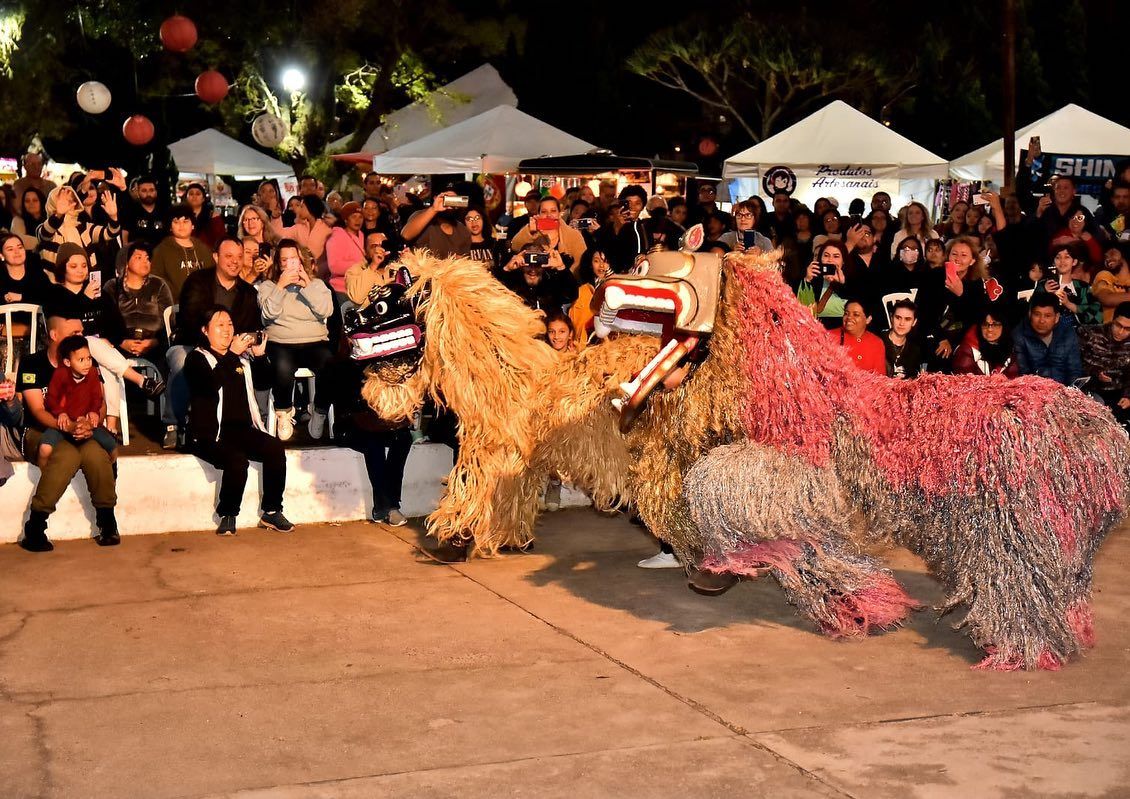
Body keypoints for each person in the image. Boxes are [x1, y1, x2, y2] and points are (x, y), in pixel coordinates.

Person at [184, 306, 292, 535]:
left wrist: (261, 357)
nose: (227, 330)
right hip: (210, 434)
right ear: (205, 330)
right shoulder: (196, 359)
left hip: (242, 430)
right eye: (220, 325)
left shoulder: (242, 359)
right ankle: (228, 513)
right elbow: (209, 386)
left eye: (230, 324)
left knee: (274, 448)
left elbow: (265, 383)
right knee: (237, 460)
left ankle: (272, 512)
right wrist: (232, 354)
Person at [16, 316, 120, 552]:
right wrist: (70, 426)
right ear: (54, 335)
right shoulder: (33, 363)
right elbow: (38, 410)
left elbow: (100, 402)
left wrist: (92, 419)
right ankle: (35, 527)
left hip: (83, 429)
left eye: (81, 332)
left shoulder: (87, 364)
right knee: (67, 456)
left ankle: (107, 521)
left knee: (96, 453)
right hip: (41, 431)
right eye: (74, 332)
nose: (80, 337)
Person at [168, 237, 264, 448]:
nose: (235, 262)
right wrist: (218, 344)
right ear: (215, 257)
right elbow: (190, 320)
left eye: (239, 257)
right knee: (183, 361)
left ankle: (255, 420)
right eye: (228, 256)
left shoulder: (248, 293)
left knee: (260, 361)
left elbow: (253, 326)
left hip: (233, 348)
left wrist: (242, 343)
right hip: (193, 342)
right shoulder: (197, 281)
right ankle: (173, 424)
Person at [258, 240, 334, 441]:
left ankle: (319, 411)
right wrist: (281, 287)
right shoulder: (268, 286)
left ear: (301, 260)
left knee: (330, 364)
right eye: (285, 260)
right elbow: (267, 315)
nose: (290, 263)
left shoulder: (317, 284)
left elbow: (326, 310)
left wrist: (307, 286)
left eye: (293, 258)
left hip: (315, 340)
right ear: (279, 264)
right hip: (281, 341)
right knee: (282, 366)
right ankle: (284, 412)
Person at [38, 334, 118, 467]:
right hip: (64, 423)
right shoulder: (60, 374)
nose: (87, 363)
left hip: (85, 422)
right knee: (44, 449)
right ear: (67, 362)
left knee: (112, 446)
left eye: (89, 358)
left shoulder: (92, 373)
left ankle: (113, 470)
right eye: (81, 360)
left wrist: (93, 411)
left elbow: (97, 397)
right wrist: (60, 413)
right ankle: (43, 473)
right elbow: (51, 398)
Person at [102, 241, 175, 364]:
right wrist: (121, 342)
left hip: (155, 348)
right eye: (139, 257)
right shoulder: (112, 286)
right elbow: (106, 322)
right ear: (125, 262)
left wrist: (153, 342)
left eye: (147, 258)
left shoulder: (159, 285)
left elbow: (169, 320)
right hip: (119, 348)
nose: (145, 261)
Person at [37, 184, 122, 272]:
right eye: (63, 200)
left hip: (87, 283)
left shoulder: (85, 228)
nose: (69, 203)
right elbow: (45, 234)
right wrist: (58, 214)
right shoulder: (46, 228)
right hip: (56, 284)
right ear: (53, 202)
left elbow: (110, 233)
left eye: (72, 200)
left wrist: (113, 217)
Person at [1079, 301, 1130, 429]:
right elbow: (1075, 364)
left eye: (1127, 329)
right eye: (1118, 325)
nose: (1120, 332)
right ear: (1112, 320)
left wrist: (1128, 396)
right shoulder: (1090, 333)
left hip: (1120, 394)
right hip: (1091, 391)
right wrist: (1096, 373)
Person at [1013, 294, 1083, 385]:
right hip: (1034, 392)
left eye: (1047, 316)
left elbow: (1074, 370)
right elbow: (1023, 374)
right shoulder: (1019, 335)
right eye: (1037, 314)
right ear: (1030, 314)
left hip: (1065, 391)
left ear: (1057, 317)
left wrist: (1068, 394)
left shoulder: (1067, 332)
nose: (1041, 321)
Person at [150, 204, 213, 300]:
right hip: (173, 306)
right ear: (170, 226)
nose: (181, 225)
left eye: (185, 221)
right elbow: (155, 280)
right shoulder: (161, 250)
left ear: (192, 225)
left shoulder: (204, 249)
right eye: (176, 222)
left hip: (202, 305)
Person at [495, 240, 579, 312]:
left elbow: (571, 296)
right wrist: (506, 269)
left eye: (537, 264)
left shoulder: (551, 283)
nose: (533, 270)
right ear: (521, 264)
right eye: (528, 264)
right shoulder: (511, 283)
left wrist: (561, 268)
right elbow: (494, 295)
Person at [510, 195, 587, 272]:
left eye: (553, 211)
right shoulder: (533, 233)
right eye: (544, 212)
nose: (549, 215)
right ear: (538, 214)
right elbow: (515, 246)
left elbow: (581, 262)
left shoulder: (573, 234)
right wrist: (530, 230)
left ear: (559, 213)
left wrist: (567, 277)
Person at [1036, 243, 1102, 328]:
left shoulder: (1083, 287)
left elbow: (1098, 316)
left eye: (1067, 257)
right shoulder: (1044, 284)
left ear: (1074, 262)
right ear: (1053, 262)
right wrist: (1044, 292)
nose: (1062, 261)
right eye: (1058, 257)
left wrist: (1069, 304)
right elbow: (1032, 311)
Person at [400, 191, 473, 258]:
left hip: (447, 271)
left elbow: (464, 261)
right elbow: (406, 235)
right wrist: (434, 209)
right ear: (436, 198)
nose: (449, 203)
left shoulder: (463, 232)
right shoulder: (422, 216)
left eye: (454, 200)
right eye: (447, 198)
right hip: (419, 269)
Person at [798, 240, 849, 329]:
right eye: (826, 255)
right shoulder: (814, 279)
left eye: (836, 256)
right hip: (817, 328)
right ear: (820, 258)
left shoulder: (851, 279)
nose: (830, 260)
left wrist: (840, 284)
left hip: (844, 328)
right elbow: (802, 306)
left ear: (843, 261)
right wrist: (807, 280)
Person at [952, 310, 1019, 377]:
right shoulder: (966, 351)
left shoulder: (1010, 346)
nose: (989, 329)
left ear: (1004, 326)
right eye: (985, 324)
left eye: (995, 324)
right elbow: (963, 382)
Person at [828, 299, 886, 374]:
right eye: (846, 313)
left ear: (868, 319)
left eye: (856, 314)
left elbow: (880, 379)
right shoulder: (829, 336)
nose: (849, 317)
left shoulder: (876, 342)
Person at [569, 247, 612, 348]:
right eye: (596, 261)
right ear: (590, 264)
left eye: (606, 261)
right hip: (583, 347)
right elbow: (575, 322)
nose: (601, 265)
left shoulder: (618, 291)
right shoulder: (581, 292)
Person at [271, 195, 333, 262]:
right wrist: (276, 218)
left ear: (310, 207)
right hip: (302, 269)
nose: (299, 210)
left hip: (322, 269)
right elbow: (279, 235)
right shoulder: (299, 227)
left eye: (302, 206)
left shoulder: (327, 228)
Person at [345, 233, 394, 307]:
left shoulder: (396, 266)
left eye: (383, 245)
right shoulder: (355, 270)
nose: (379, 249)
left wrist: (409, 259)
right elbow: (357, 298)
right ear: (365, 251)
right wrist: (374, 265)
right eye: (374, 246)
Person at [1091, 242, 1130, 323]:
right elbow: (1107, 298)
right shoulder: (1104, 276)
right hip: (1108, 330)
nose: (1109, 258)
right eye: (1106, 256)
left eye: (1113, 253)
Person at [123, 176, 167, 246]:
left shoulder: (165, 212)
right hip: (138, 254)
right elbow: (125, 233)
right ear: (138, 193)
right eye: (144, 191)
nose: (148, 194)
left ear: (156, 192)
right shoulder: (131, 211)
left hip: (160, 254)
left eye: (151, 190)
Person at [883, 300, 922, 379]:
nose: (901, 323)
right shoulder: (878, 342)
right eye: (898, 318)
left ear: (914, 322)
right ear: (891, 318)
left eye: (907, 319)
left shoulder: (915, 350)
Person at [183, 183, 227, 250]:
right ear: (186, 198)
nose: (194, 196)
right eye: (191, 194)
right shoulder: (181, 218)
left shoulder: (213, 217)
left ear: (203, 199)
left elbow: (221, 240)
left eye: (198, 194)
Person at [10, 187, 47, 251]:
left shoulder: (50, 219)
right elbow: (19, 239)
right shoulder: (18, 220)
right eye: (27, 201)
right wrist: (47, 244)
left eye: (35, 200)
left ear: (41, 202)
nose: (31, 203)